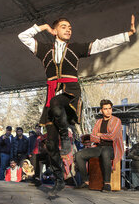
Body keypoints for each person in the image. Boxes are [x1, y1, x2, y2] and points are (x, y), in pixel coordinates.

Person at [18, 15, 136, 195]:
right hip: (52, 93)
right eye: (64, 26)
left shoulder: (75, 48)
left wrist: (126, 35)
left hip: (70, 91)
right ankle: (59, 180)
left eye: (70, 27)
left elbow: (101, 44)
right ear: (55, 30)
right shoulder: (44, 50)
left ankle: (65, 133)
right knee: (50, 144)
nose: (68, 29)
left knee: (57, 104)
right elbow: (23, 37)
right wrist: (42, 27)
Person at [75, 99, 124, 192]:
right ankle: (86, 182)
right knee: (79, 155)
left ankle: (107, 184)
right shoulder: (98, 122)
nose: (108, 111)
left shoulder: (117, 121)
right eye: (105, 109)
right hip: (99, 147)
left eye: (110, 108)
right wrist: (100, 136)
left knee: (105, 152)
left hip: (112, 148)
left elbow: (112, 137)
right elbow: (93, 137)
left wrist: (100, 135)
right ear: (101, 110)